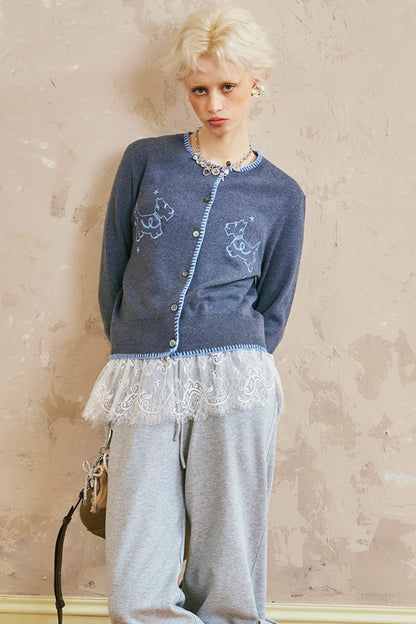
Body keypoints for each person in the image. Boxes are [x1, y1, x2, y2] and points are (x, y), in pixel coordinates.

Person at [82, 5, 305, 624]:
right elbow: (113, 268)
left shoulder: (282, 194)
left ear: (257, 84)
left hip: (236, 379)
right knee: (136, 579)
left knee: (229, 571)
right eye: (199, 89)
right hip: (143, 371)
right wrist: (134, 341)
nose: (214, 103)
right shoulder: (145, 161)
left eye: (228, 87)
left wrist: (233, 349)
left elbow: (274, 305)